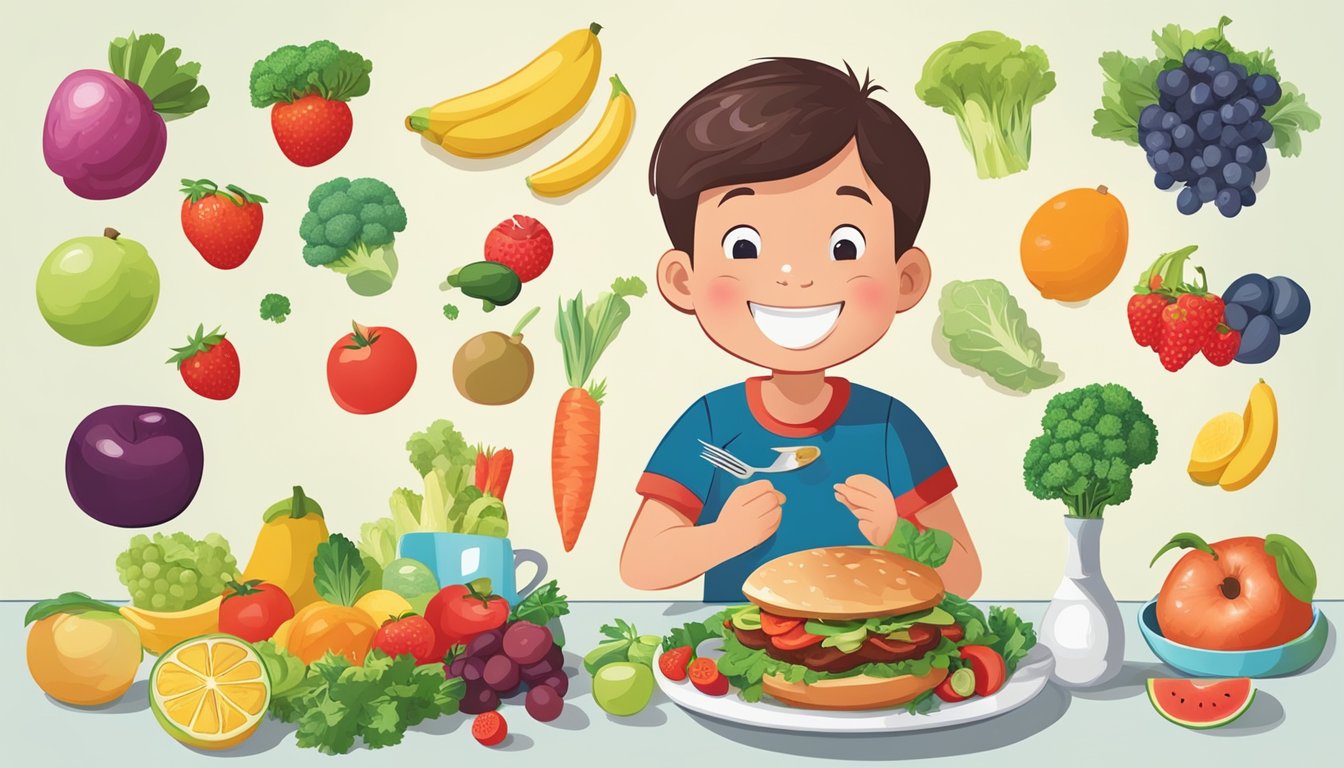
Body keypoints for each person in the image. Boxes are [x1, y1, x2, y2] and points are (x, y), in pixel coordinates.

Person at [619, 58, 982, 602]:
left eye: (844, 247)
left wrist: (898, 534)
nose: (793, 276)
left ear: (905, 279)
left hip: (872, 640)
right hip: (737, 652)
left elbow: (965, 576)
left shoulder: (889, 428)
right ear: (683, 279)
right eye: (745, 245)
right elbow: (640, 564)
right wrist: (722, 538)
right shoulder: (712, 425)